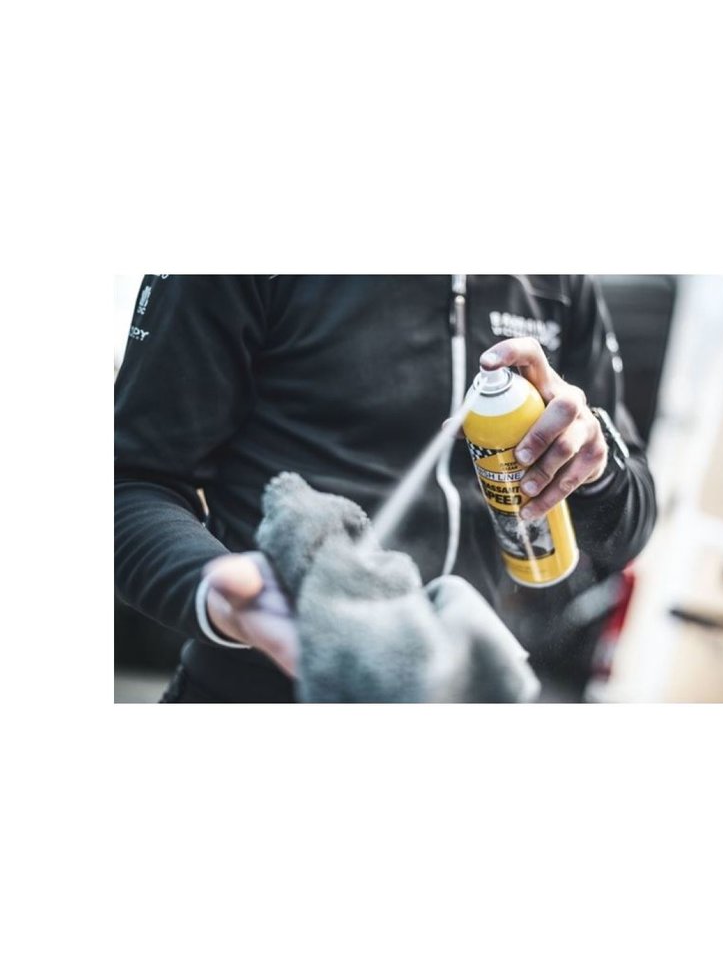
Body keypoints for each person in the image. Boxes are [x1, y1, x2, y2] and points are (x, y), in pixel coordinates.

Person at [114, 275, 657, 702]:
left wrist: (595, 468)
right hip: (259, 689)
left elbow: (629, 525)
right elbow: (130, 483)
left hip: (463, 694)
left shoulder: (561, 282)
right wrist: (224, 599)